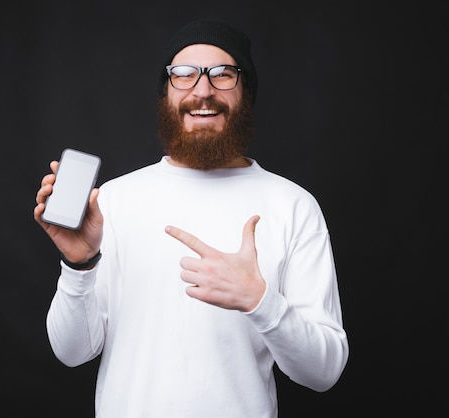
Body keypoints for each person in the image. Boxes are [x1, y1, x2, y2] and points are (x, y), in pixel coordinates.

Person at [33, 19, 348, 417]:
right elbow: (72, 353)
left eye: (222, 75)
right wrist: (79, 266)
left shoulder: (293, 205)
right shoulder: (113, 200)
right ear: (166, 94)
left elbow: (324, 372)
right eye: (183, 75)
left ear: (245, 92)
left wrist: (261, 302)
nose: (202, 90)